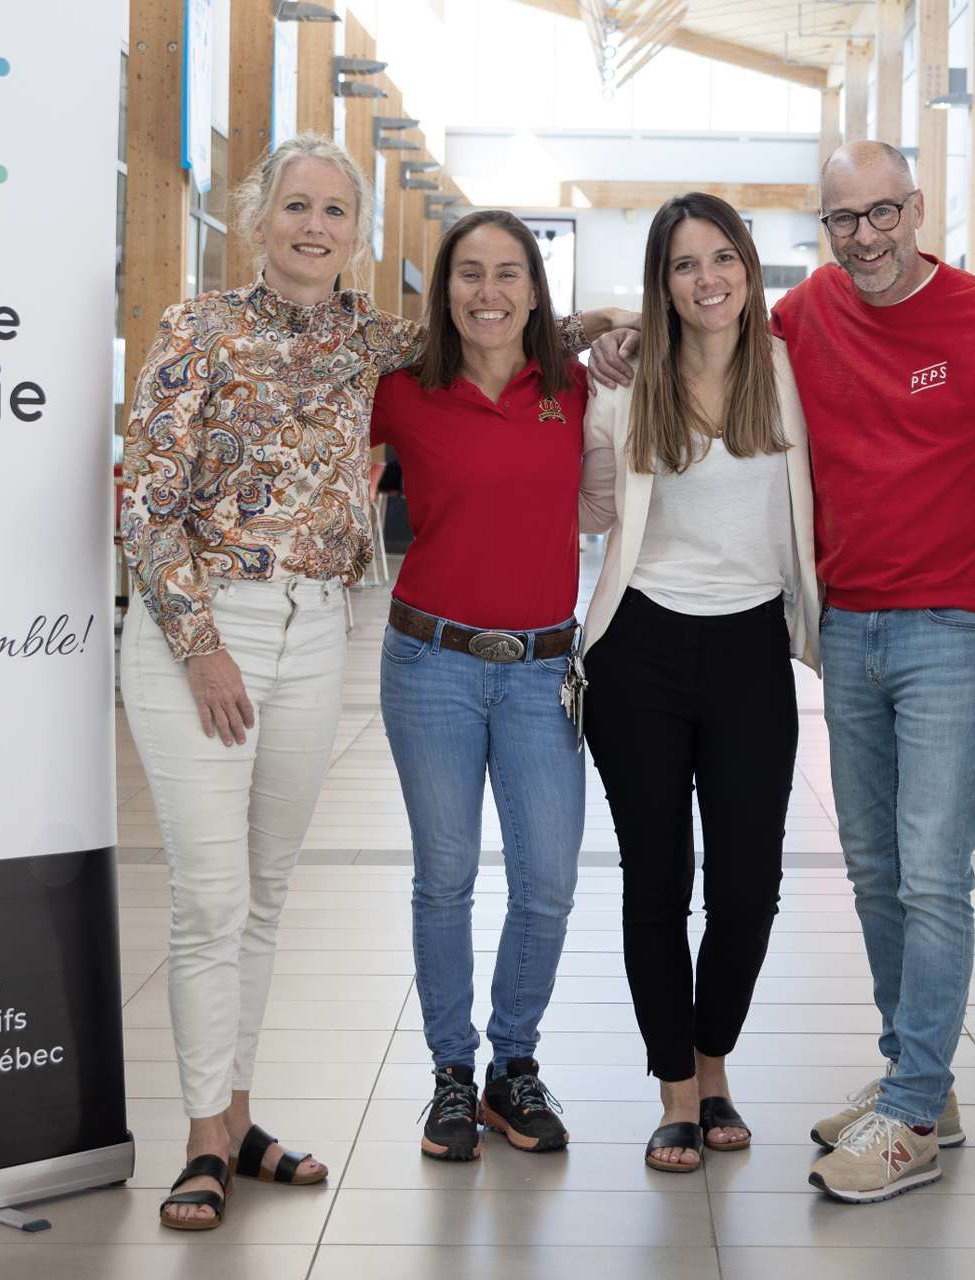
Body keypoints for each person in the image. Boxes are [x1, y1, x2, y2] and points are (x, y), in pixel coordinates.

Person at [125, 135, 622, 1229]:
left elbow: (506, 332)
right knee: (212, 898)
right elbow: (147, 501)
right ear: (258, 218)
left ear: (357, 233)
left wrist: (588, 325)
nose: (313, 226)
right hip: (207, 635)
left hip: (322, 634)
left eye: (333, 211)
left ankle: (241, 1117)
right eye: (294, 206)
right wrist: (196, 640)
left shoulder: (370, 344)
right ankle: (205, 1137)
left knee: (262, 896)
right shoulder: (201, 331)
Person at [590, 141, 975, 1202]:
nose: (864, 236)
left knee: (904, 874)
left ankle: (910, 1099)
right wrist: (602, 335)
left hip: (921, 627)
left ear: (915, 207)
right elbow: (625, 435)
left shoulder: (966, 326)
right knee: (870, 874)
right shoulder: (799, 324)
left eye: (882, 212)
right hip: (807, 634)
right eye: (843, 220)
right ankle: (891, 1082)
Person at [575, 192, 818, 1174]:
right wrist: (605, 336)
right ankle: (677, 1086)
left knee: (750, 884)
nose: (707, 278)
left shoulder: (788, 371)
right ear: (659, 282)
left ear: (751, 268)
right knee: (656, 879)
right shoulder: (625, 383)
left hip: (752, 645)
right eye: (683, 264)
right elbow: (595, 508)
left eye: (723, 257)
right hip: (638, 647)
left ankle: (713, 1053)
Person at [371, 210, 591, 1162]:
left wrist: (608, 322)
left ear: (536, 290)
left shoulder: (577, 387)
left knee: (546, 882)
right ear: (443, 289)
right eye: (469, 274)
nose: (489, 292)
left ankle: (515, 1065)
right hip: (430, 666)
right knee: (446, 879)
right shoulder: (402, 391)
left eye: (509, 274)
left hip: (544, 671)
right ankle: (452, 1078)